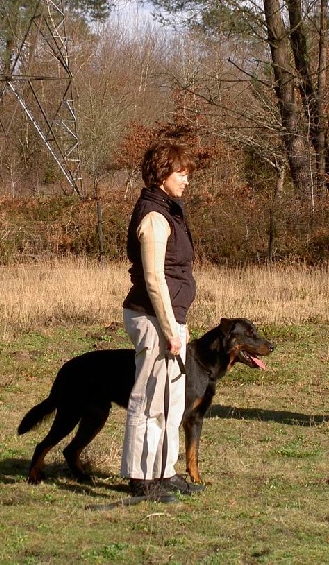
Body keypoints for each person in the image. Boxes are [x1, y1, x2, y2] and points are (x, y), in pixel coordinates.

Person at [121, 137, 204, 502]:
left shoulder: (169, 210)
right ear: (161, 175)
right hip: (154, 319)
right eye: (181, 173)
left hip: (170, 318)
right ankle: (141, 478)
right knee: (150, 399)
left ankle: (164, 472)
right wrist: (171, 330)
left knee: (172, 402)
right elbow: (154, 280)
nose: (186, 181)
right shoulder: (154, 217)